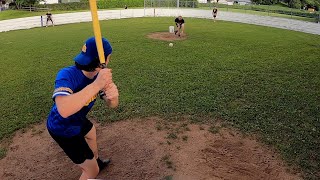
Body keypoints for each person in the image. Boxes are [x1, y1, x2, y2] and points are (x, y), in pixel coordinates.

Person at [47, 37, 119, 180]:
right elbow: (64, 110)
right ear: (104, 60)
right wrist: (96, 85)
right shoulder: (66, 74)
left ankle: (96, 162)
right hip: (62, 128)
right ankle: (92, 171)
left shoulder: (99, 77)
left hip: (78, 119)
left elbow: (112, 105)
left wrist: (113, 97)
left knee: (91, 132)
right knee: (91, 171)